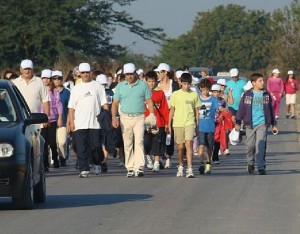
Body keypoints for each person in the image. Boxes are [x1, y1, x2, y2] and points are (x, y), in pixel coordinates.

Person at [111, 63, 156, 178]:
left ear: (135, 73)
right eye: (127, 74)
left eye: (131, 74)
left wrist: (151, 114)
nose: (129, 76)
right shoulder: (120, 86)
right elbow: (115, 103)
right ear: (124, 74)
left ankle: (139, 167)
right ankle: (130, 167)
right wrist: (114, 117)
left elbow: (149, 101)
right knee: (128, 143)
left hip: (139, 117)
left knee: (139, 141)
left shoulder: (143, 85)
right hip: (125, 117)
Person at [68, 63, 108, 178]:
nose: (85, 74)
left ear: (90, 72)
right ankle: (84, 168)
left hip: (95, 123)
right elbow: (71, 107)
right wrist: (71, 122)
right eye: (83, 72)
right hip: (80, 123)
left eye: (87, 72)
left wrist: (106, 118)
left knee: (95, 146)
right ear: (79, 74)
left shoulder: (97, 86)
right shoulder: (76, 88)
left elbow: (104, 103)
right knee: (81, 147)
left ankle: (96, 163)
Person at [235, 73, 278, 175]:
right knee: (250, 146)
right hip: (249, 124)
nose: (263, 82)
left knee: (261, 146)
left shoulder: (266, 94)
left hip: (262, 124)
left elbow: (271, 110)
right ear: (253, 83)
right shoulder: (247, 94)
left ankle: (261, 166)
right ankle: (250, 163)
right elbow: (241, 109)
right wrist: (237, 122)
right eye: (260, 81)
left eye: (263, 80)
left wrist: (274, 124)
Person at [168, 72, 201, 178]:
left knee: (189, 144)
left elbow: (197, 111)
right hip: (177, 123)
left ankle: (190, 168)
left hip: (190, 122)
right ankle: (181, 166)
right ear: (180, 82)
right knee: (181, 147)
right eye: (184, 83)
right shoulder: (175, 94)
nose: (186, 86)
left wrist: (197, 125)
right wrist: (169, 124)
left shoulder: (194, 94)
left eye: (188, 84)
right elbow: (172, 110)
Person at [144, 71, 169, 172]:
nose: (151, 83)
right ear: (146, 81)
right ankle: (148, 158)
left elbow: (164, 109)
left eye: (153, 81)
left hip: (159, 122)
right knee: (146, 142)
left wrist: (167, 123)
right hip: (145, 122)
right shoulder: (142, 93)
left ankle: (156, 162)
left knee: (157, 142)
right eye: (149, 81)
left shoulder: (160, 93)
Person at [156, 63, 180, 169]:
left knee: (170, 136)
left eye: (159, 72)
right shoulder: (157, 86)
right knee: (160, 136)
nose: (158, 74)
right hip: (160, 114)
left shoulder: (173, 85)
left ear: (166, 72)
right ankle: (161, 156)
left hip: (172, 113)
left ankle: (169, 156)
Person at [197, 80, 221, 174]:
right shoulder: (198, 99)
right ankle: (201, 163)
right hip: (201, 127)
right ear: (201, 89)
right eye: (203, 89)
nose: (205, 91)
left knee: (209, 146)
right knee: (201, 145)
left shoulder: (213, 99)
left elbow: (218, 108)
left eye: (207, 89)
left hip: (210, 126)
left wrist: (225, 110)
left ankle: (208, 162)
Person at [40, 69, 63, 170]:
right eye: (44, 78)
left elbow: (59, 105)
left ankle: (55, 158)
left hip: (53, 119)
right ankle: (45, 163)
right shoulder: (39, 90)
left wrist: (60, 117)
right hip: (41, 119)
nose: (46, 80)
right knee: (43, 143)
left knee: (53, 142)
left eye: (48, 78)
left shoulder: (54, 91)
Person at [52, 70, 70, 166]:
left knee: (62, 142)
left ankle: (63, 156)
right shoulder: (49, 91)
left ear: (62, 79)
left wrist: (69, 121)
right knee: (54, 142)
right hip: (52, 121)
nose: (57, 80)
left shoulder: (67, 92)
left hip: (63, 121)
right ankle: (57, 158)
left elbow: (70, 107)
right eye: (54, 78)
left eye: (59, 78)